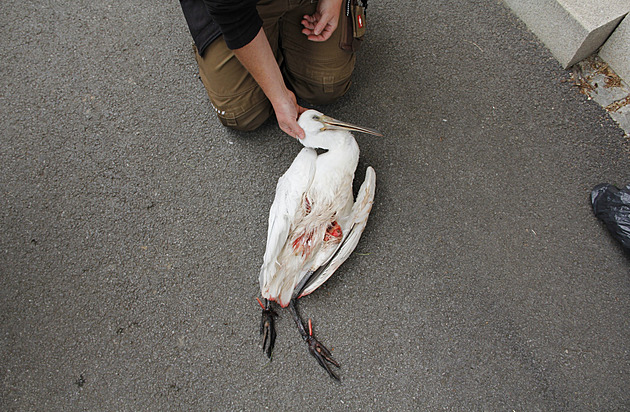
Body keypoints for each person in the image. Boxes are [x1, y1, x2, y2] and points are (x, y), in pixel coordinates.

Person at [180, 0, 356, 139]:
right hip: (237, 8)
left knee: (327, 86)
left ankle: (277, 36)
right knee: (244, 114)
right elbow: (235, 19)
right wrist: (279, 97)